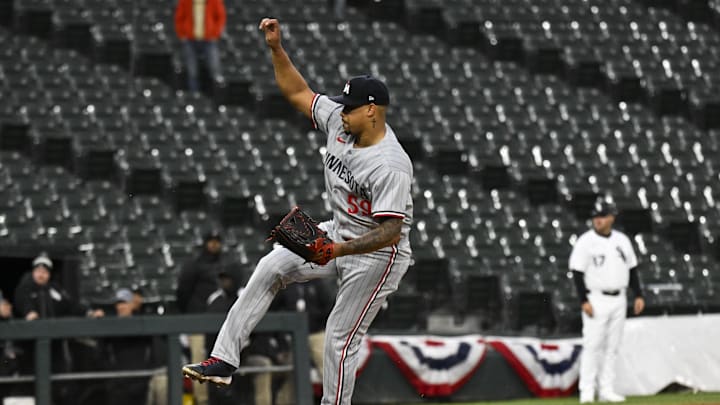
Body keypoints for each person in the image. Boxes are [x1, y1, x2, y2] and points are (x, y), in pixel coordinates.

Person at [183, 17, 414, 405]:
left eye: (351, 108)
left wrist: (337, 251)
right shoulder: (341, 126)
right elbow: (298, 92)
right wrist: (276, 48)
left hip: (379, 257)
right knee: (270, 267)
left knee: (339, 336)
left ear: (372, 111)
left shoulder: (390, 163)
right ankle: (223, 360)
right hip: (339, 231)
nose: (341, 112)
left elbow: (390, 231)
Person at [569, 201, 645, 403]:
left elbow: (632, 268)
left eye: (602, 216)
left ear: (611, 218)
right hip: (596, 298)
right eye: (595, 217)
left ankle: (606, 389)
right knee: (592, 345)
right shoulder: (586, 241)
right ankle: (586, 391)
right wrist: (583, 300)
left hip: (619, 298)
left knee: (612, 347)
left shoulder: (621, 240)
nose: (598, 220)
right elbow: (577, 272)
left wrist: (638, 294)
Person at [205, 270, 278, 405]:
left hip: (247, 353)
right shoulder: (215, 300)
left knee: (263, 364)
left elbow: (259, 330)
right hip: (220, 355)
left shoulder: (247, 296)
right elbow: (210, 336)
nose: (225, 282)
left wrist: (249, 348)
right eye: (222, 279)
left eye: (228, 278)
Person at [101, 288, 156, 405]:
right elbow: (101, 353)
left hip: (140, 382)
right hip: (118, 384)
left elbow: (155, 350)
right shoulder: (110, 326)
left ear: (132, 305)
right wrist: (111, 377)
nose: (120, 306)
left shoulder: (143, 323)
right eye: (118, 303)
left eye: (124, 302)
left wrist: (147, 374)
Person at [174, 0, 226, 92]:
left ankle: (215, 95)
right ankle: (195, 95)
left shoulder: (215, 1)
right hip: (190, 40)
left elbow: (221, 17)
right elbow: (179, 17)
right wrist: (182, 34)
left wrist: (215, 34)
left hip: (209, 40)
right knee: (192, 71)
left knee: (214, 68)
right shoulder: (185, 1)